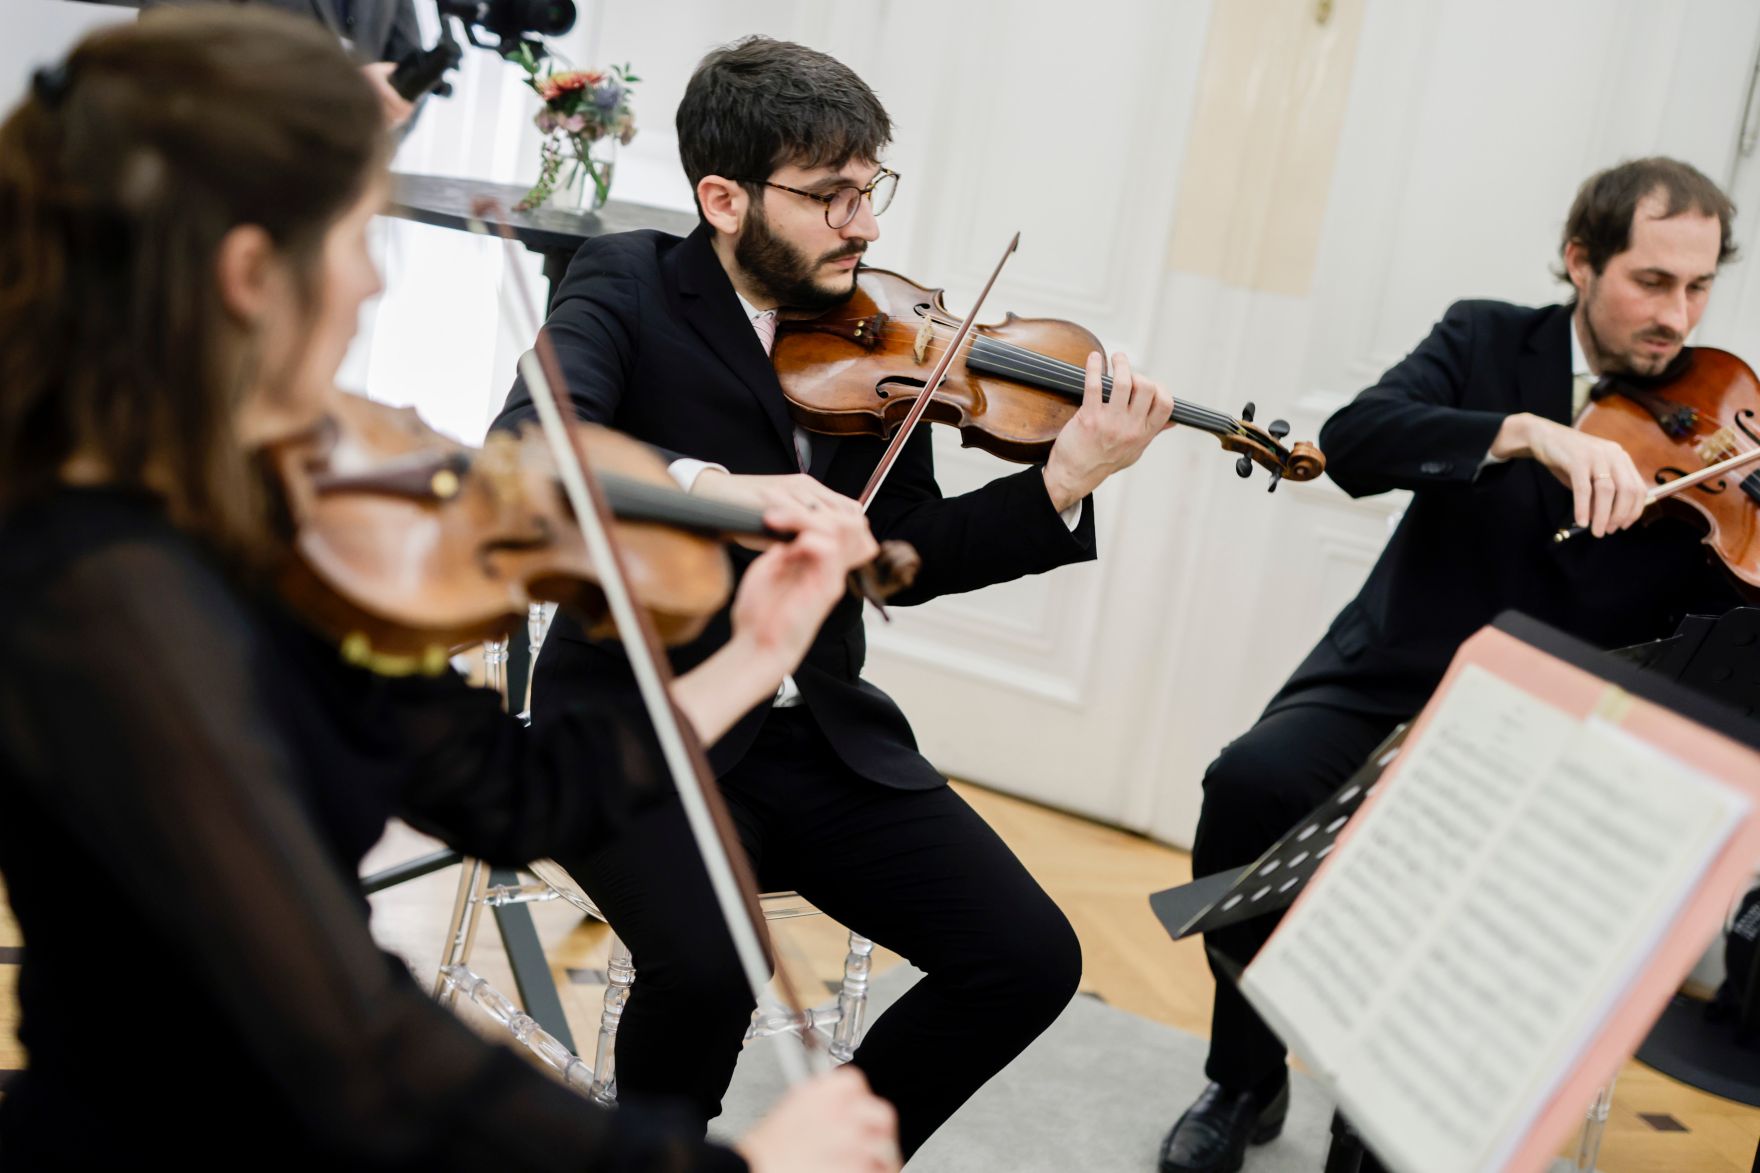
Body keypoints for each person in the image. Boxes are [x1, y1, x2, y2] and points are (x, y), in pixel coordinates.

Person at [0, 10, 900, 1170]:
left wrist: (753, 652)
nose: (372, 280)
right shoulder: (109, 595)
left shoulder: (287, 522)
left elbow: (518, 797)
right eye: (355, 233)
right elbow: (356, 1053)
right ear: (246, 273)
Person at [493, 34, 1175, 1160]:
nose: (862, 224)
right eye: (829, 197)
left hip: (818, 741)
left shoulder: (876, 342)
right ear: (722, 197)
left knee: (1026, 959)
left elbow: (906, 547)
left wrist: (1064, 478)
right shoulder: (626, 283)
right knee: (707, 971)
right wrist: (715, 490)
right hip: (645, 724)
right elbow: (531, 446)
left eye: (870, 191)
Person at [1157, 156, 1745, 1173]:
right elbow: (1355, 439)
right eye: (1651, 281)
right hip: (1394, 671)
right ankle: (1245, 1072)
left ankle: (1371, 1122)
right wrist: (1526, 435)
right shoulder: (1483, 338)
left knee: (1460, 908)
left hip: (1559, 723)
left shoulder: (1721, 418)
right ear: (1578, 260)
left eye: (1697, 287)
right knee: (1246, 788)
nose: (1676, 316)